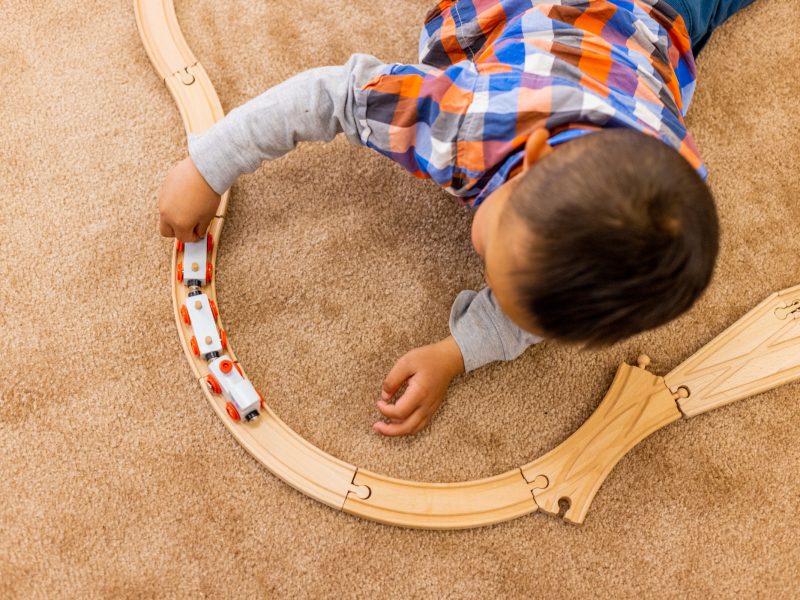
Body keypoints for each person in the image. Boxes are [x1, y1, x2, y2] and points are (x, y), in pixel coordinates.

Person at [157, 0, 756, 436]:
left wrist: (459, 349)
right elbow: (333, 95)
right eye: (494, 252)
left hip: (653, 23)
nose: (481, 255)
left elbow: (544, 311)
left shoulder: (675, 199)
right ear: (537, 157)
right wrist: (209, 166)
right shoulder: (464, 121)